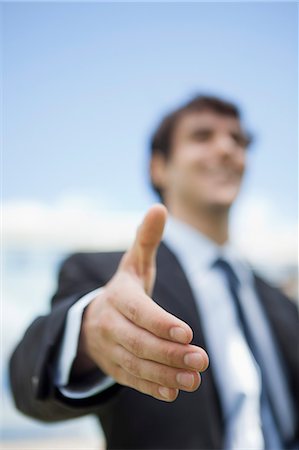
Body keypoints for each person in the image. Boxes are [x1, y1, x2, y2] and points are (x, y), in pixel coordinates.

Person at [9, 95, 299, 449]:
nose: (227, 148)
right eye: (202, 136)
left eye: (238, 140)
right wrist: (87, 337)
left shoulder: (279, 302)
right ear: (158, 167)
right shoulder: (106, 276)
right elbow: (25, 378)